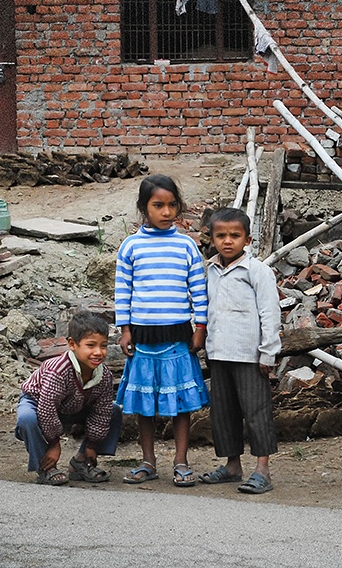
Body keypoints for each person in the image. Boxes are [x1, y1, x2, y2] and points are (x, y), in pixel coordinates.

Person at [115, 174, 209, 487]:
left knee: (180, 403)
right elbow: (122, 291)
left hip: (178, 337)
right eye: (158, 205)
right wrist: (124, 329)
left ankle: (181, 462)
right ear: (144, 208)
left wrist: (201, 327)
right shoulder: (131, 246)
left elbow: (198, 288)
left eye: (171, 205)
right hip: (142, 338)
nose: (166, 212)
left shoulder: (186, 245)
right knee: (145, 404)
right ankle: (148, 461)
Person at [198, 207, 281, 494]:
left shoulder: (257, 271)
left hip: (250, 356)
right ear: (212, 238)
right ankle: (232, 465)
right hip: (219, 353)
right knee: (223, 412)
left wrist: (268, 352)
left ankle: (262, 470)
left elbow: (270, 313)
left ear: (248, 239)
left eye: (235, 235)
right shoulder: (209, 271)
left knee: (256, 412)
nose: (227, 241)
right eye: (221, 235)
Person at [15, 309, 122, 486]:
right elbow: (46, 408)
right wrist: (54, 444)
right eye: (91, 345)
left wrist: (91, 445)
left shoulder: (104, 376)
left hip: (73, 406)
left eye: (103, 346)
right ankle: (46, 466)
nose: (98, 352)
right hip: (37, 402)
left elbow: (101, 412)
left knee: (113, 410)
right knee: (27, 418)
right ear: (72, 344)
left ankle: (80, 462)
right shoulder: (58, 370)